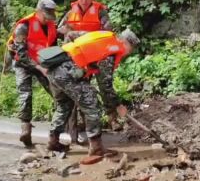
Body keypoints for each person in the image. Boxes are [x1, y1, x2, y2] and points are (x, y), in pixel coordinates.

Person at [44, 29, 140, 160]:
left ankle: (53, 142)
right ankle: (96, 147)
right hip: (67, 72)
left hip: (54, 68)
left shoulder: (102, 37)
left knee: (64, 105)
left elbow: (71, 34)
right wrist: (117, 106)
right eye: (131, 49)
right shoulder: (111, 51)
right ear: (125, 43)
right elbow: (105, 86)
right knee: (93, 105)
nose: (128, 53)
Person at [57, 0, 122, 133]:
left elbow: (108, 32)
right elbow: (60, 30)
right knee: (79, 87)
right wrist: (67, 31)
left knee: (105, 86)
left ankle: (112, 118)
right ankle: (82, 121)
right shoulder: (70, 13)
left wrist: (80, 34)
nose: (84, 1)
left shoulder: (101, 12)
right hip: (79, 56)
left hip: (99, 54)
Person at [6, 0, 59, 148]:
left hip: (42, 62)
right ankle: (25, 129)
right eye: (46, 14)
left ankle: (57, 130)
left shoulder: (51, 26)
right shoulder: (23, 27)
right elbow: (21, 54)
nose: (48, 17)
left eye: (51, 14)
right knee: (25, 93)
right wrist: (38, 67)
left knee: (56, 90)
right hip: (23, 63)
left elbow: (53, 46)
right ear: (39, 11)